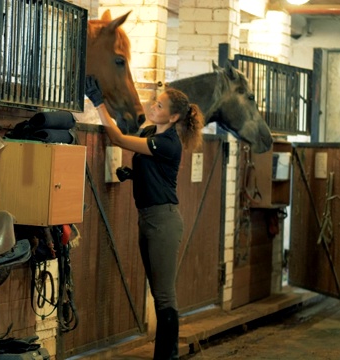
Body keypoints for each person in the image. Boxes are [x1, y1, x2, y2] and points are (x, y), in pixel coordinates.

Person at [85, 75, 205, 360]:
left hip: (163, 221)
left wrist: (98, 102)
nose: (153, 107)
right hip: (149, 218)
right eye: (155, 102)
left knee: (164, 295)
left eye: (160, 106)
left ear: (174, 116)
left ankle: (167, 355)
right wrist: (135, 174)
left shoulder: (168, 143)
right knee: (157, 290)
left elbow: (116, 138)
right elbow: (150, 167)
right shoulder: (152, 131)